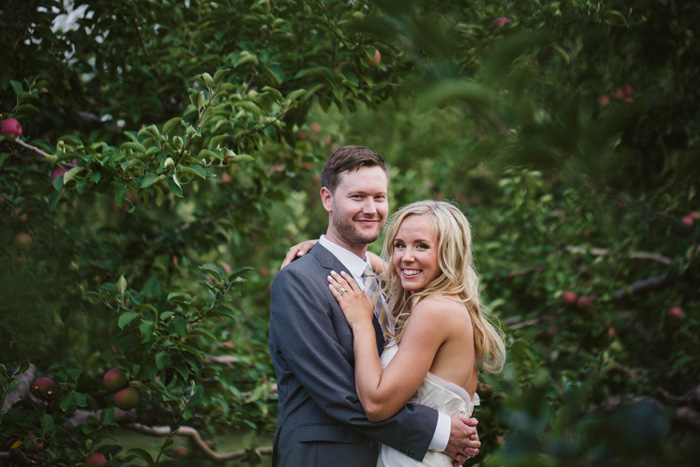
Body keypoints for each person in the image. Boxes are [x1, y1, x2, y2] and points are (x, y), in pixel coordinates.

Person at [269, 146, 481, 467]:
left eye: (379, 197)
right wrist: (438, 432)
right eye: (357, 197)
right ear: (327, 199)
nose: (371, 208)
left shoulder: (394, 282)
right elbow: (339, 394)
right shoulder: (299, 281)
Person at [326, 200, 507, 466]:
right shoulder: (451, 304)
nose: (405, 257)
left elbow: (376, 406)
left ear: (448, 252)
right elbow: (396, 270)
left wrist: (362, 323)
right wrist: (328, 250)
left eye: (421, 246)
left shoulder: (433, 311)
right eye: (400, 245)